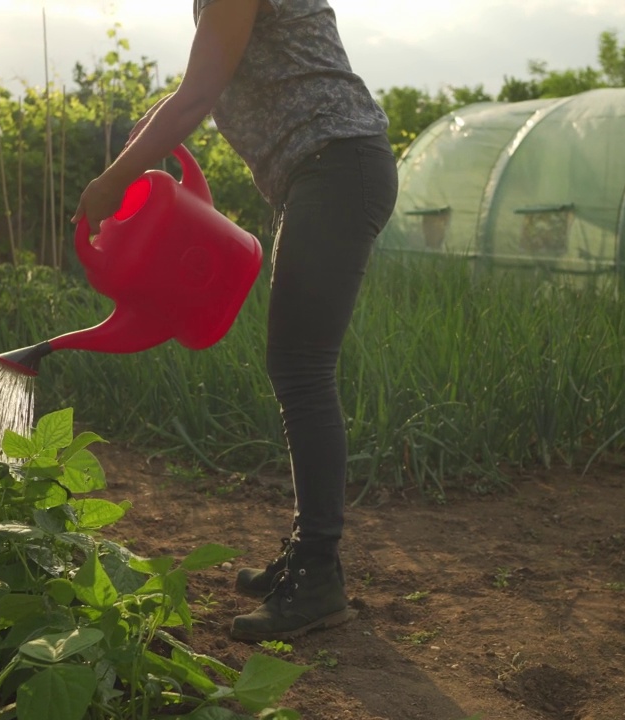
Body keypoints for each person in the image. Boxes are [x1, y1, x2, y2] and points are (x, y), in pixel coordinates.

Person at [71, 0, 398, 641]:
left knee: (302, 369)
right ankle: (310, 556)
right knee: (297, 367)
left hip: (335, 165)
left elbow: (199, 94)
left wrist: (116, 178)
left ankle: (318, 575)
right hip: (324, 169)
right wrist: (162, 121)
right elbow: (207, 78)